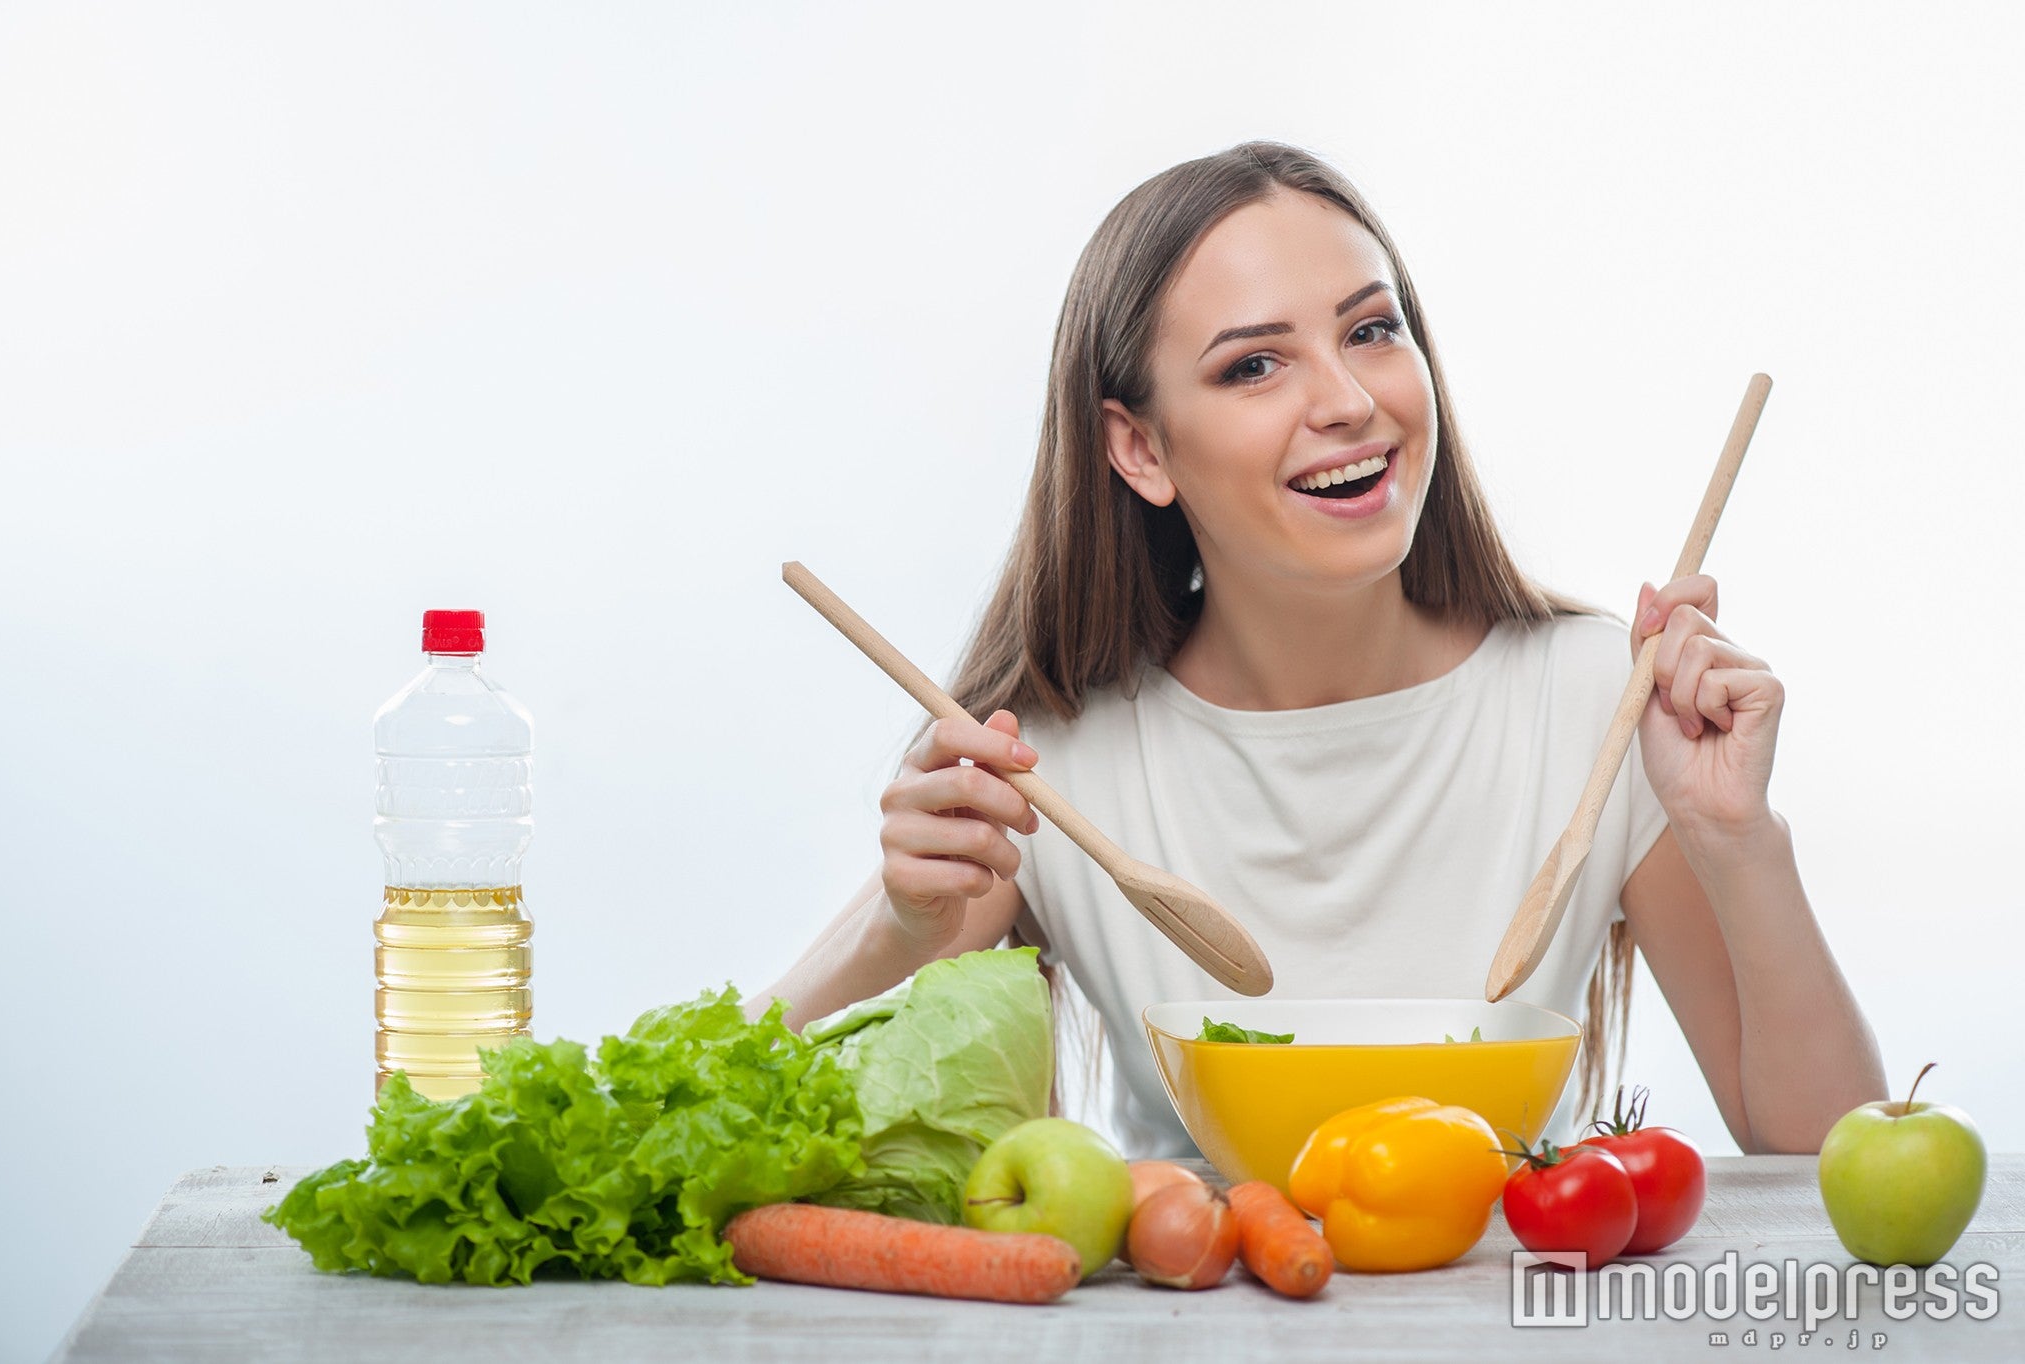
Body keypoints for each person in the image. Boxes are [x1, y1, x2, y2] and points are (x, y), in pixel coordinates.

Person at [747, 141, 1883, 1157]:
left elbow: (1834, 1157)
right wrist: (892, 928)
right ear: (1138, 448)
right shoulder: (1045, 765)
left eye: (1370, 331)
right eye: (1254, 364)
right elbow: (729, 1120)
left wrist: (1739, 840)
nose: (1346, 400)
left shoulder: (1596, 701)